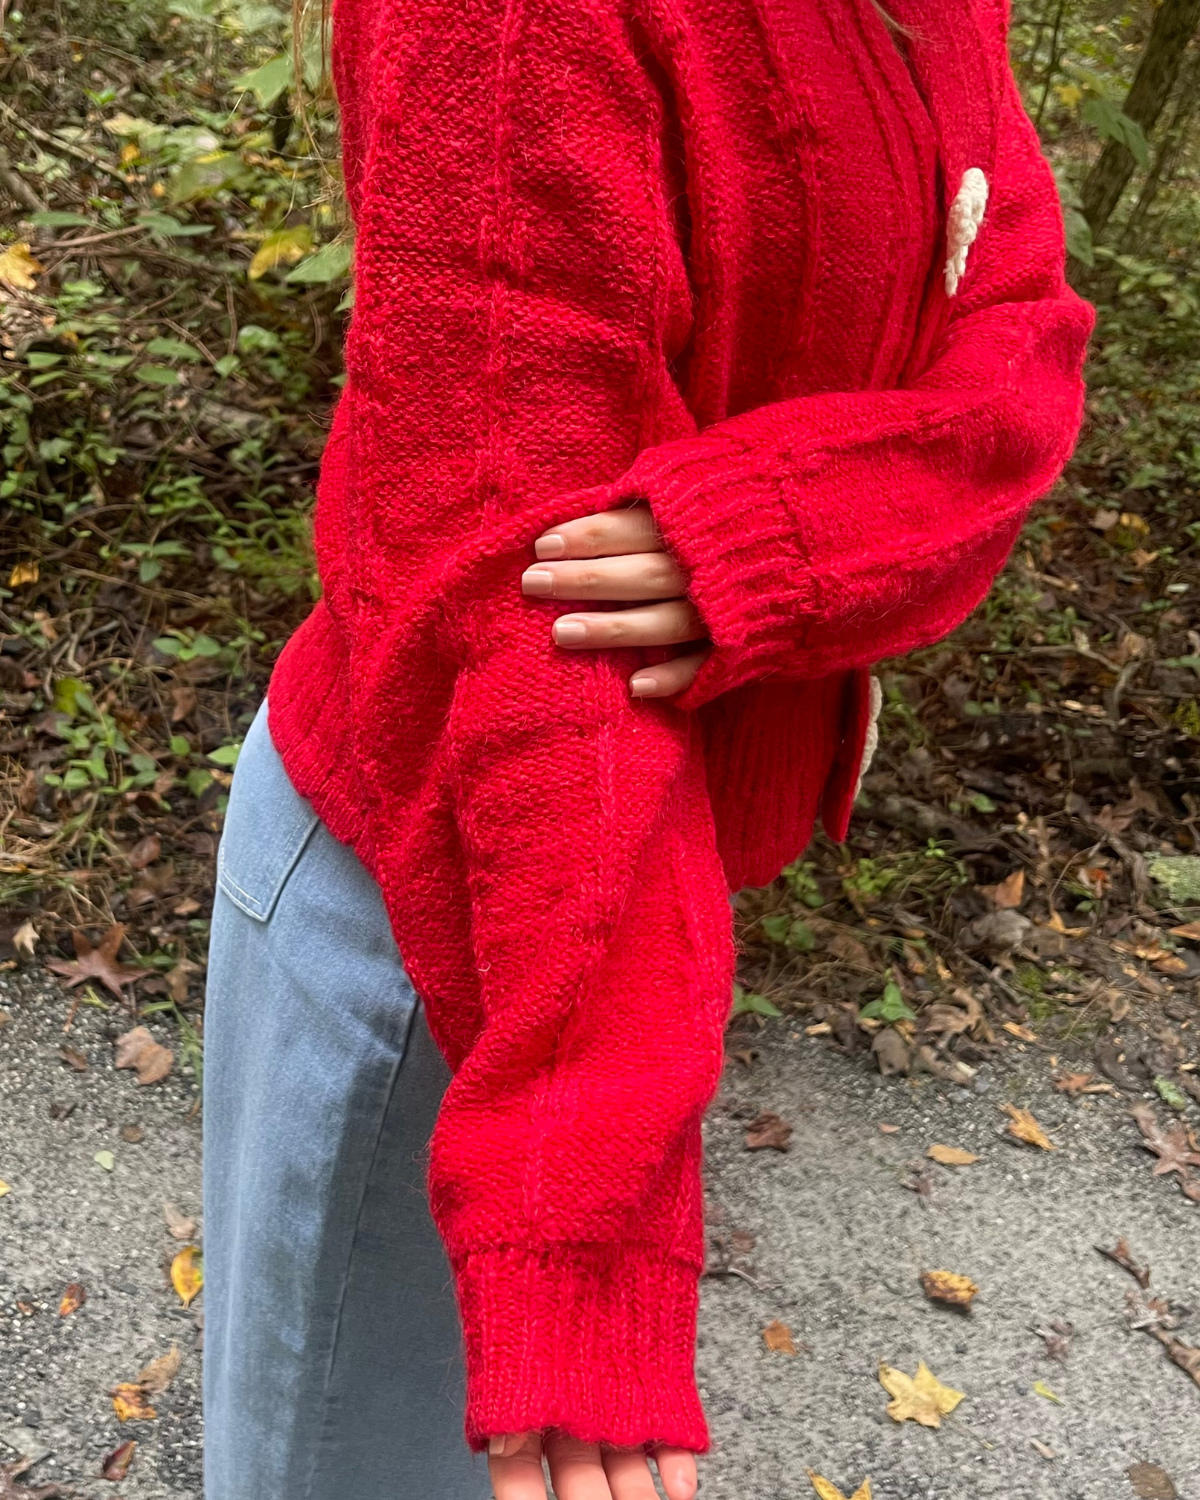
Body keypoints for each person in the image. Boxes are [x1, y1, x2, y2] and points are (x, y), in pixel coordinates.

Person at [201, 1, 1093, 1497]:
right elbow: (523, 617)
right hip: (459, 890)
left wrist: (785, 532)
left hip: (628, 908)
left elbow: (1025, 344)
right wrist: (579, 1201)